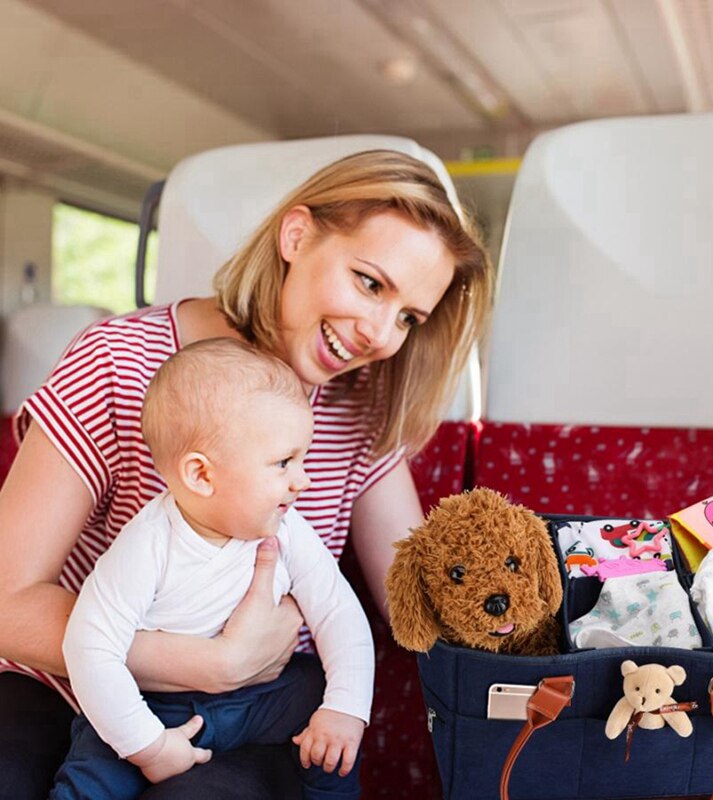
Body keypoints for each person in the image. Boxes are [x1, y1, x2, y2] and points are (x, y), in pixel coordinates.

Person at [0, 149, 492, 800]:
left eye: (408, 318)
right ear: (297, 236)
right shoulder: (116, 362)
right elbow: (6, 601)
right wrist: (208, 663)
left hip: (255, 714)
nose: (379, 332)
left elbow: (424, 598)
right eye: (370, 283)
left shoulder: (362, 410)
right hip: (53, 683)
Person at [50, 338, 373, 799]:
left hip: (259, 698)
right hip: (156, 703)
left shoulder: (289, 529)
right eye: (283, 462)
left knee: (315, 688)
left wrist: (344, 708)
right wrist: (150, 746)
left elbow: (338, 612)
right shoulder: (147, 545)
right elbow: (89, 647)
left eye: (302, 459)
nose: (302, 481)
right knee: (94, 767)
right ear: (202, 475)